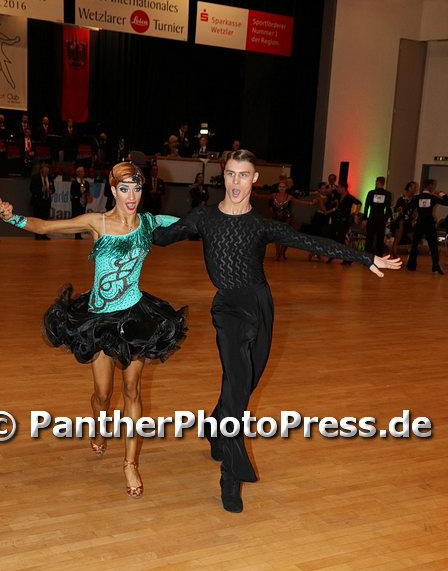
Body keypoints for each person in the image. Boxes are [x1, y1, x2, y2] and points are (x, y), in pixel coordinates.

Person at [153, 149, 401, 513]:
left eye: (243, 175)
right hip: (228, 310)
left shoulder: (261, 224)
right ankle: (231, 475)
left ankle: (215, 425)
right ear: (224, 175)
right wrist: (129, 218)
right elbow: (161, 238)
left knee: (245, 384)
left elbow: (311, 242)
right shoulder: (203, 217)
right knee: (237, 388)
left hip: (260, 306)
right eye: (231, 174)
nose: (236, 181)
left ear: (255, 179)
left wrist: (366, 258)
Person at [0, 161, 187, 497]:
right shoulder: (96, 222)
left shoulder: (149, 222)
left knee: (132, 390)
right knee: (103, 393)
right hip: (99, 320)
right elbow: (46, 226)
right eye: (124, 189)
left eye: (137, 188)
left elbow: (194, 224)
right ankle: (99, 428)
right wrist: (13, 218)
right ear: (113, 190)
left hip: (135, 319)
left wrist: (227, 216)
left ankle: (130, 463)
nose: (131, 196)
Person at [406, 179, 448, 274]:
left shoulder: (417, 197)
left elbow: (407, 207)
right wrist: (441, 194)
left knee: (415, 244)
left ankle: (411, 265)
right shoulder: (433, 197)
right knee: (433, 245)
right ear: (430, 186)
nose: (433, 187)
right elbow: (447, 202)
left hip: (419, 223)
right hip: (429, 223)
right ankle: (435, 266)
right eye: (433, 185)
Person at [326, 181, 361, 264]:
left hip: (344, 221)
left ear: (343, 188)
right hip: (336, 220)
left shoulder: (349, 197)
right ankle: (346, 258)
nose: (337, 189)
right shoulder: (338, 195)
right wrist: (334, 188)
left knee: (340, 239)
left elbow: (359, 203)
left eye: (339, 187)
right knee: (334, 238)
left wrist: (356, 214)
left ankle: (341, 257)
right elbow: (327, 191)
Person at [363, 176, 392, 256]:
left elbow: (366, 206)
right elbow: (388, 209)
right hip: (381, 218)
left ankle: (366, 257)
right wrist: (385, 219)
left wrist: (365, 218)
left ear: (378, 182)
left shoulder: (371, 193)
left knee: (369, 238)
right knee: (380, 239)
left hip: (372, 217)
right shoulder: (388, 194)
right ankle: (379, 257)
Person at [390, 181, 418, 258]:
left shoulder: (415, 199)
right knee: (397, 240)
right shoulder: (401, 199)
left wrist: (414, 219)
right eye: (414, 187)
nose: (415, 189)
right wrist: (399, 209)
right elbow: (396, 210)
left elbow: (415, 211)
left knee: (413, 239)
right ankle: (394, 257)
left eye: (416, 188)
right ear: (409, 188)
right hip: (401, 221)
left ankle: (411, 256)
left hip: (408, 222)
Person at [30, 164, 55, 240]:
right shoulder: (35, 177)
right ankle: (37, 235)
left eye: (47, 172)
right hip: (38, 201)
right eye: (44, 172)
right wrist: (42, 189)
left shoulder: (50, 178)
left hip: (46, 201)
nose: (46, 173)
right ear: (41, 171)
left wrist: (50, 190)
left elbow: (53, 190)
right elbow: (31, 189)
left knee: (45, 218)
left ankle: (44, 234)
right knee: (37, 219)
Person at [71, 166, 90, 239]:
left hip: (83, 203)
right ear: (77, 173)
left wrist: (87, 193)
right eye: (80, 172)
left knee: (82, 218)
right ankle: (76, 234)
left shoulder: (86, 182)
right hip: (76, 203)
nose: (82, 173)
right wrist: (80, 193)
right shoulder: (74, 182)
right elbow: (72, 193)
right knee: (76, 218)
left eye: (82, 172)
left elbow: (88, 191)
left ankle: (79, 234)